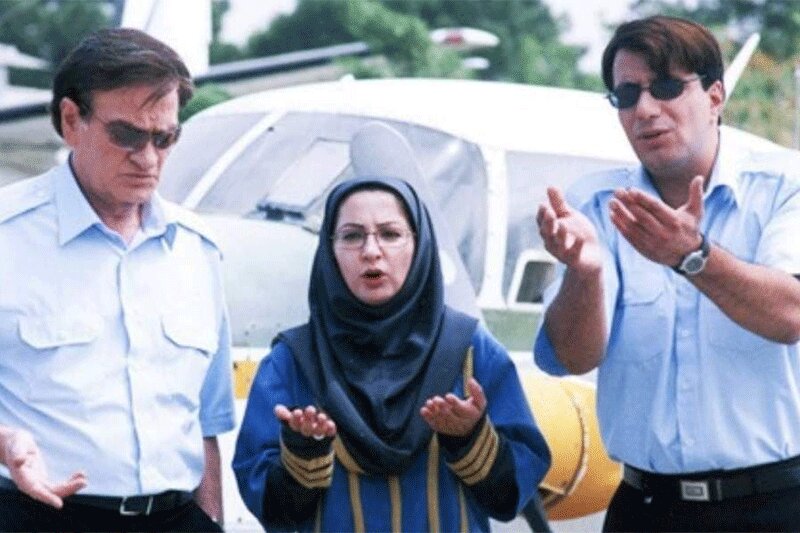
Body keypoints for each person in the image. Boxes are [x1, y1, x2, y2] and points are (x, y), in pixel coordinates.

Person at [534, 14, 800, 532]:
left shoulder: (784, 186)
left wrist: (692, 256)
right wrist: (584, 274)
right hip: (648, 508)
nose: (645, 110)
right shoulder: (596, 204)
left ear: (715, 96)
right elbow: (570, 358)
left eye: (666, 88)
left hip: (778, 504)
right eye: (626, 95)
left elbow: (790, 315)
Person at [0, 28, 235, 531]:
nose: (148, 158)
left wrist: (213, 517)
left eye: (164, 138)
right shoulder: (6, 237)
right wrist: (3, 442)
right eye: (126, 135)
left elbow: (206, 421)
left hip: (177, 518)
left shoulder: (197, 250)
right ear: (71, 120)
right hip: (40, 516)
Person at [233, 176, 550, 531]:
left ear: (420, 244)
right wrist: (304, 453)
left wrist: (470, 437)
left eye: (390, 234)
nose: (371, 250)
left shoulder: (469, 350)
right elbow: (268, 506)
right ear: (329, 249)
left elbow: (512, 496)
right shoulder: (294, 361)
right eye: (352, 236)